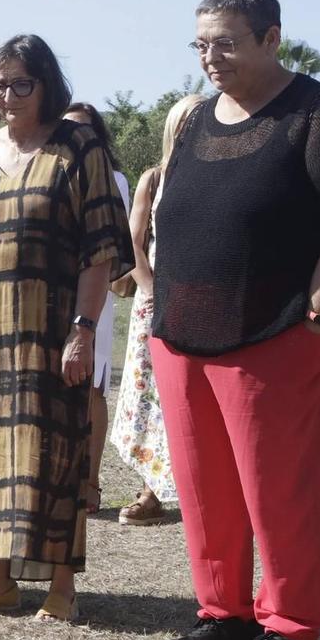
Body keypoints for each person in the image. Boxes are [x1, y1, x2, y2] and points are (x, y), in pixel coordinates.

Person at [151, 0, 320, 640]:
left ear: (271, 37)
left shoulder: (315, 110)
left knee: (282, 492)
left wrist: (318, 315)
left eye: (226, 41)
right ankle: (224, 611)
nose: (210, 57)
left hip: (277, 335)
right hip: (181, 336)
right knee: (202, 488)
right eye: (201, 44)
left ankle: (290, 623)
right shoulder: (191, 116)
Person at [0, 36, 130, 623]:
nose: (9, 96)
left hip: (52, 335)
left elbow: (101, 250)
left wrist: (83, 329)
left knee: (54, 455)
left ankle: (61, 590)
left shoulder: (78, 147)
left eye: (22, 83)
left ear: (47, 84)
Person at [108, 94, 202, 525]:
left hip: (209, 307)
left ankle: (205, 493)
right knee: (152, 398)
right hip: (157, 306)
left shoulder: (220, 173)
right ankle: (151, 492)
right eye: (187, 120)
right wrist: (150, 292)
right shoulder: (154, 178)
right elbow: (134, 240)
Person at [63, 102, 130, 513]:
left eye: (84, 129)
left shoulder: (114, 179)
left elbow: (112, 246)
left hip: (94, 293)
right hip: (51, 293)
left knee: (92, 386)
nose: (76, 136)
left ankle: (90, 481)